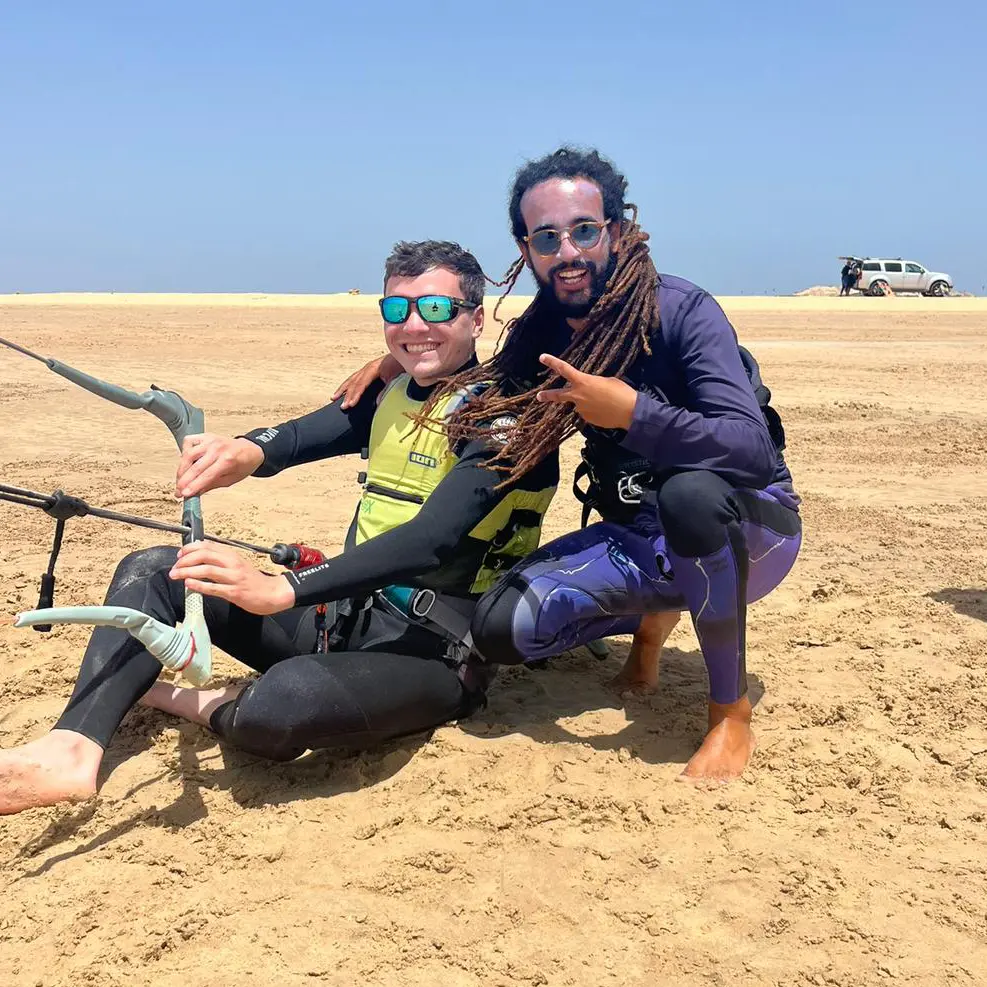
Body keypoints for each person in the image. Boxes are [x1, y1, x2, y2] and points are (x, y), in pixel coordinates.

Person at [0, 240, 559, 815]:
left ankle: (179, 696)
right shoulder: (389, 392)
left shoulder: (512, 418)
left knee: (278, 708)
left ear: (477, 317)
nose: (415, 325)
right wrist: (243, 452)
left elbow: (432, 539)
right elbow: (298, 438)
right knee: (154, 570)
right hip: (344, 618)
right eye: (397, 309)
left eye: (436, 309)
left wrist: (281, 591)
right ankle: (70, 751)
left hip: (434, 655)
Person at [336, 148, 802, 783]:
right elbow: (494, 384)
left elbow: (749, 446)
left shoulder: (684, 310)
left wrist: (635, 413)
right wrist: (403, 360)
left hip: (750, 530)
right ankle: (652, 622)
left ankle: (729, 711)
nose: (569, 251)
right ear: (525, 249)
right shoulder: (544, 330)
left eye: (584, 230)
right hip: (636, 531)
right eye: (547, 237)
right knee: (501, 629)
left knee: (690, 497)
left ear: (615, 229)